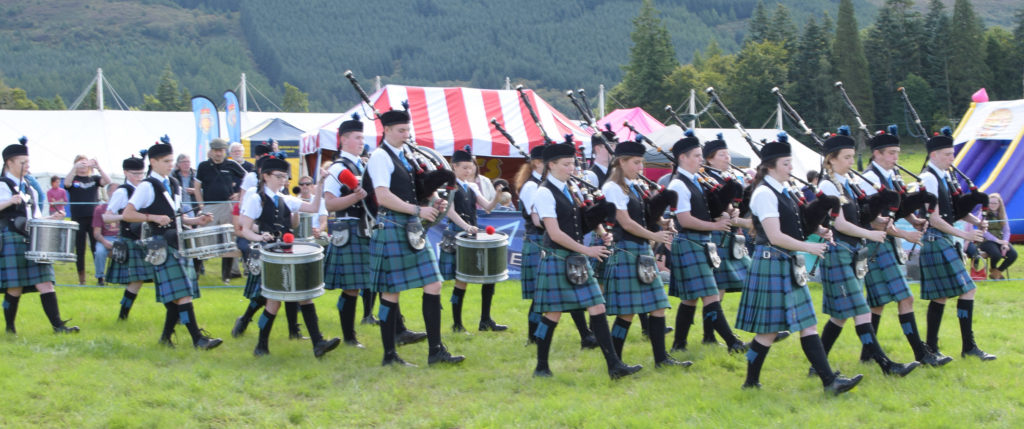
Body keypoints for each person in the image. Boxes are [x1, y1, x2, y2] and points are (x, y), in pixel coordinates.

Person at [734, 134, 862, 394]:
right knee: (767, 333)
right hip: (772, 263)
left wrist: (818, 231)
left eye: (790, 163)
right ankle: (750, 382)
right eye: (786, 164)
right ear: (770, 166)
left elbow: (796, 225)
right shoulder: (763, 194)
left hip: (786, 264)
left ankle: (829, 382)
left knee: (808, 324)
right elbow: (775, 235)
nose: (791, 168)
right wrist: (809, 246)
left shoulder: (784, 191)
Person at [813, 128, 919, 377]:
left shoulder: (845, 183)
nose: (852, 162)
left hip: (849, 252)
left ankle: (816, 366)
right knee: (860, 310)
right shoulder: (828, 186)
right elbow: (839, 224)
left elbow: (858, 216)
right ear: (831, 159)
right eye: (847, 157)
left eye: (852, 156)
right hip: (837, 251)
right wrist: (870, 234)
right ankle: (886, 366)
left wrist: (879, 219)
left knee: (841, 316)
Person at [531, 142, 642, 379]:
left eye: (573, 163)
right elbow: (554, 233)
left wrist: (602, 233)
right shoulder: (544, 192)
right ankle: (541, 366)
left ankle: (614, 366)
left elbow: (585, 214)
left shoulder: (570, 188)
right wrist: (587, 250)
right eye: (566, 164)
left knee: (598, 306)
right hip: (558, 257)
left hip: (576, 257)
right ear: (551, 165)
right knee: (553, 313)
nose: (572, 168)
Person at [366, 107, 463, 366]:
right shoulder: (379, 157)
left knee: (434, 283)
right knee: (390, 292)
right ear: (386, 130)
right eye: (401, 130)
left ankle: (436, 351)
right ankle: (390, 356)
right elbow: (383, 196)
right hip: (392, 226)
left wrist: (434, 200)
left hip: (411, 226)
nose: (406, 135)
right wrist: (419, 210)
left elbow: (417, 188)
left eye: (408, 130)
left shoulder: (405, 156)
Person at [857, 126, 950, 367]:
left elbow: (897, 207)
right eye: (890, 153)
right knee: (905, 298)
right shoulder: (869, 180)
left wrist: (913, 219)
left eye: (897, 153)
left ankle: (868, 353)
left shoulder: (890, 176)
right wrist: (906, 235)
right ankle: (921, 354)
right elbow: (874, 221)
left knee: (876, 303)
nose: (895, 158)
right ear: (876, 154)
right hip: (876, 243)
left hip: (888, 241)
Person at [121, 140, 221, 350]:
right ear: (153, 162)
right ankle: (198, 339)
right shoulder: (147, 186)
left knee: (178, 295)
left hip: (176, 242)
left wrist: (196, 221)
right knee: (182, 292)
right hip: (160, 245)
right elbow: (128, 214)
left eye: (171, 160)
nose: (170, 164)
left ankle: (166, 339)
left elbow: (175, 216)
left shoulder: (173, 183)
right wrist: (153, 217)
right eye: (166, 161)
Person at [237, 156, 340, 357]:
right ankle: (261, 346)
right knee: (273, 302)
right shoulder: (257, 198)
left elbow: (311, 207)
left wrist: (319, 185)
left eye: (285, 177)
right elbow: (244, 229)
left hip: (287, 251)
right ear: (265, 176)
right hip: (269, 254)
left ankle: (318, 343)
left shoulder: (286, 199)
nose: (283, 181)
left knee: (304, 297)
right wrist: (260, 236)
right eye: (279, 176)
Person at [599, 140, 690, 368]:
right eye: (636, 162)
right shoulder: (612, 188)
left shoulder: (634, 185)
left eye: (642, 162)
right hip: (626, 251)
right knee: (627, 313)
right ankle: (616, 362)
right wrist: (655, 235)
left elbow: (645, 213)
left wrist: (663, 221)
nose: (641, 167)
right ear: (621, 162)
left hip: (641, 251)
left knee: (658, 306)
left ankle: (662, 359)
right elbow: (626, 222)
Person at [666, 131, 747, 355]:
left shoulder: (695, 181)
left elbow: (704, 212)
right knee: (710, 296)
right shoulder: (678, 185)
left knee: (690, 299)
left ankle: (679, 344)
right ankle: (733, 343)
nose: (701, 159)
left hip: (698, 243)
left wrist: (722, 215)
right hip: (689, 242)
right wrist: (715, 226)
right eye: (696, 155)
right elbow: (685, 220)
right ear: (683, 157)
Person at [918, 128, 995, 361]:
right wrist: (967, 236)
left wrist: (976, 221)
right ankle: (944, 347)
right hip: (935, 240)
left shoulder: (944, 176)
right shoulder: (928, 178)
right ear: (933, 155)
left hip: (945, 240)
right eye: (947, 155)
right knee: (952, 293)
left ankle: (955, 346)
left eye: (952, 154)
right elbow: (934, 218)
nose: (952, 159)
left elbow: (954, 211)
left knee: (953, 293)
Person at [1, 137, 80, 335]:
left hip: (33, 238)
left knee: (45, 281)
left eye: (27, 162)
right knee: (14, 287)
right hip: (11, 237)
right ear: (9, 163)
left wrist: (51, 218)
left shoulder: (29, 187)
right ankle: (10, 329)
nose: (27, 166)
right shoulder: (2, 185)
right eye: (23, 162)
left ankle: (58, 326)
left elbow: (34, 217)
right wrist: (9, 201)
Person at [701, 134, 762, 346]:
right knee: (714, 288)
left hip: (727, 233)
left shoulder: (724, 177)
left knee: (720, 287)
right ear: (710, 159)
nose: (727, 158)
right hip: (715, 233)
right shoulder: (706, 178)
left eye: (727, 154)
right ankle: (708, 336)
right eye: (722, 155)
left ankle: (708, 335)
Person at [439, 146, 507, 332]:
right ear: (454, 167)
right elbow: (449, 211)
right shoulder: (449, 186)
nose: (469, 171)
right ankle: (457, 324)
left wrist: (498, 196)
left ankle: (485, 320)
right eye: (465, 168)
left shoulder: (473, 186)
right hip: (458, 234)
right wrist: (466, 227)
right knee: (462, 280)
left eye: (471, 167)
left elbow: (488, 207)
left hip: (471, 233)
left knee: (489, 276)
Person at [103, 155, 154, 320]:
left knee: (156, 276)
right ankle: (123, 315)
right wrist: (125, 216)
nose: (139, 177)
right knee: (136, 282)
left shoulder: (146, 188)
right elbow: (107, 217)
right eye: (135, 173)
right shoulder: (122, 192)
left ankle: (176, 315)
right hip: (131, 239)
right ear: (125, 172)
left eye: (142, 173)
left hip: (148, 238)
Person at [194, 138, 246, 284]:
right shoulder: (203, 166)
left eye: (221, 150)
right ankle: (196, 274)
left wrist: (239, 194)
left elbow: (249, 179)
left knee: (228, 241)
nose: (218, 153)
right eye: (216, 150)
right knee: (201, 239)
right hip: (209, 206)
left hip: (227, 206)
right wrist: (201, 206)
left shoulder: (232, 164)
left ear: (225, 151)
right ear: (210, 151)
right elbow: (197, 187)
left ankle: (227, 276)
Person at [515, 145, 548, 345]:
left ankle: (586, 334)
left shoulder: (543, 184)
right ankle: (532, 336)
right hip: (537, 239)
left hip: (545, 240)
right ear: (537, 163)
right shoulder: (530, 186)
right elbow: (538, 220)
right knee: (540, 294)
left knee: (553, 292)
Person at [65, 153, 111, 284]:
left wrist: (98, 166)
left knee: (96, 248)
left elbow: (107, 181)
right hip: (78, 217)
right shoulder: (73, 179)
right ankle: (82, 280)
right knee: (79, 249)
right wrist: (74, 168)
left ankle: (100, 277)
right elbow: (67, 184)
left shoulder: (95, 178)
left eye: (85, 163)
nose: (83, 166)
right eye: (80, 163)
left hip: (94, 218)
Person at [968, 193, 1016, 280]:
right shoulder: (983, 214)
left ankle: (997, 271)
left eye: (995, 203)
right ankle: (993, 267)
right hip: (985, 241)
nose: (993, 205)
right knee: (996, 254)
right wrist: (997, 241)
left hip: (1000, 240)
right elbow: (984, 232)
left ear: (999, 204)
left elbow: (1006, 231)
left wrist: (1005, 242)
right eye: (991, 203)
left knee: (1013, 254)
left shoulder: (1002, 215)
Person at [92, 183, 119, 286]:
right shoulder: (100, 210)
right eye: (114, 191)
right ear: (108, 193)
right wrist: (105, 242)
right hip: (105, 238)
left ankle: (122, 277)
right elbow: (96, 233)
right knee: (99, 251)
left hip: (120, 238)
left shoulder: (125, 208)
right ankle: (100, 277)